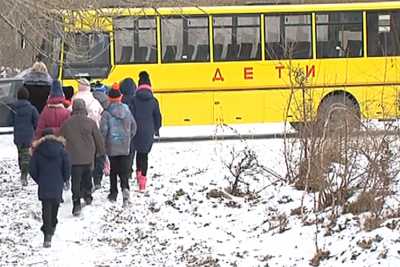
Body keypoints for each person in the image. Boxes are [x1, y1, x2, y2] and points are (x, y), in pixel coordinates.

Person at [60, 99, 105, 216]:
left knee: (76, 181)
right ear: (84, 108)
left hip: (73, 158)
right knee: (87, 177)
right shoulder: (90, 122)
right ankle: (88, 195)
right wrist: (101, 152)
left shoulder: (66, 123)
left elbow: (59, 139)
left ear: (73, 108)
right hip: (89, 157)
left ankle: (76, 204)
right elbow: (98, 139)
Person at [29, 128, 70, 248]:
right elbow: (66, 164)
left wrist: (39, 179)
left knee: (45, 207)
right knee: (55, 204)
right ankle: (52, 225)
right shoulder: (61, 149)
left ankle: (47, 233)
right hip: (57, 181)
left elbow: (32, 169)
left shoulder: (38, 151)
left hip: (44, 182)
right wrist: (65, 178)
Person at [100, 88, 136, 207]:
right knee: (124, 171)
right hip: (125, 146)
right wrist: (128, 138)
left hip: (111, 147)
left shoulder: (106, 113)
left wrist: (103, 143)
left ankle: (113, 193)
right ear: (120, 97)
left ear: (109, 98)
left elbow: (103, 131)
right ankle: (125, 190)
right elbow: (134, 127)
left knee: (113, 171)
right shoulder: (127, 110)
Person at [132, 71, 162, 192]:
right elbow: (158, 117)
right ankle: (142, 182)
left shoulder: (134, 100)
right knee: (144, 154)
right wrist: (157, 129)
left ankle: (138, 174)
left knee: (138, 153)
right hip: (148, 131)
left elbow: (131, 114)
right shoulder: (154, 101)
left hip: (136, 130)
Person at [10, 87, 39, 186]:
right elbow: (36, 122)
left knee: (20, 154)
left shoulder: (13, 108)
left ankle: (22, 171)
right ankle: (24, 174)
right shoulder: (31, 109)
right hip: (28, 136)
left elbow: (10, 121)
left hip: (18, 136)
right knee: (26, 156)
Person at [92, 82, 110, 189]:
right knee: (100, 156)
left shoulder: (90, 100)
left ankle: (91, 176)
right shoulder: (107, 101)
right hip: (102, 131)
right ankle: (98, 180)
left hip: (91, 130)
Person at [120, 77, 137, 180]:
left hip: (121, 128)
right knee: (131, 151)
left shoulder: (120, 100)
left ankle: (122, 170)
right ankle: (129, 170)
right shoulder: (135, 100)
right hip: (131, 129)